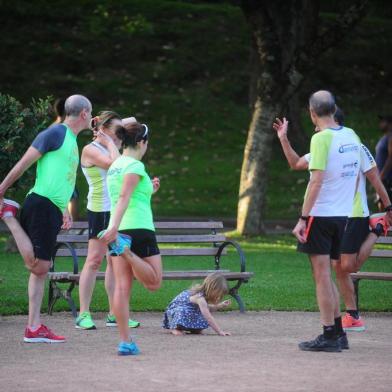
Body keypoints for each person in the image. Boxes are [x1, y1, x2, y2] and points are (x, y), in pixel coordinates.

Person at [273, 108, 392, 332]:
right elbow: (296, 164)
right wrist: (283, 138)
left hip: (354, 212)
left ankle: (376, 228)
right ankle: (352, 316)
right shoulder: (323, 144)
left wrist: (388, 207)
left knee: (346, 266)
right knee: (337, 268)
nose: (315, 124)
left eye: (318, 119)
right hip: (333, 215)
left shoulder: (355, 144)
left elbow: (375, 177)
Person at [0, 94, 92, 343]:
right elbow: (23, 163)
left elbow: (61, 177)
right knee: (40, 266)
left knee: (40, 272)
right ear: (84, 113)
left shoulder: (71, 141)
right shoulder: (55, 134)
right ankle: (8, 215)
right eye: (91, 113)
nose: (92, 118)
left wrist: (64, 210)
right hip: (41, 204)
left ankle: (33, 327)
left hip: (51, 207)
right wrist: (2, 188)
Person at [288, 90, 362, 352]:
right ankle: (338, 332)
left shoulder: (321, 139)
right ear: (334, 108)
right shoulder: (351, 135)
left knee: (321, 275)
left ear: (312, 112)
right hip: (342, 215)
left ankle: (329, 334)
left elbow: (316, 180)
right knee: (327, 274)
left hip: (320, 215)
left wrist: (302, 218)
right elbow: (356, 177)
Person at [99, 121, 162, 356]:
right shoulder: (135, 165)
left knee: (122, 288)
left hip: (121, 230)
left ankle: (126, 342)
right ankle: (127, 251)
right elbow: (125, 197)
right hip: (138, 228)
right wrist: (113, 228)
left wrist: (150, 190)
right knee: (154, 282)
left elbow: (130, 196)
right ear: (141, 142)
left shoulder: (116, 166)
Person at [76, 111, 139, 330]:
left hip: (116, 211)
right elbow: (115, 165)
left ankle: (114, 313)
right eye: (118, 131)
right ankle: (83, 314)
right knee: (94, 261)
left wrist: (114, 129)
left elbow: (133, 122)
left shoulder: (112, 144)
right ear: (103, 131)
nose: (121, 135)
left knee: (115, 262)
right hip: (99, 210)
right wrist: (105, 137)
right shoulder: (90, 150)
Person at [163, 272, 231, 336]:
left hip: (189, 311)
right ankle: (175, 328)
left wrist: (220, 305)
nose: (219, 297)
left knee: (199, 314)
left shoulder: (203, 297)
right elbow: (208, 317)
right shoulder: (200, 298)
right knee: (183, 312)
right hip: (174, 311)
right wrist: (219, 331)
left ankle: (192, 329)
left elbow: (207, 307)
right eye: (218, 294)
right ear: (212, 288)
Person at [375, 115, 392, 210]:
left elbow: (391, 158)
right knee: (381, 207)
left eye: (383, 121)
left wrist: (381, 176)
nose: (380, 124)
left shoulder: (391, 137)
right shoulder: (384, 137)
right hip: (382, 179)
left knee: (387, 209)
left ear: (389, 123)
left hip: (387, 180)